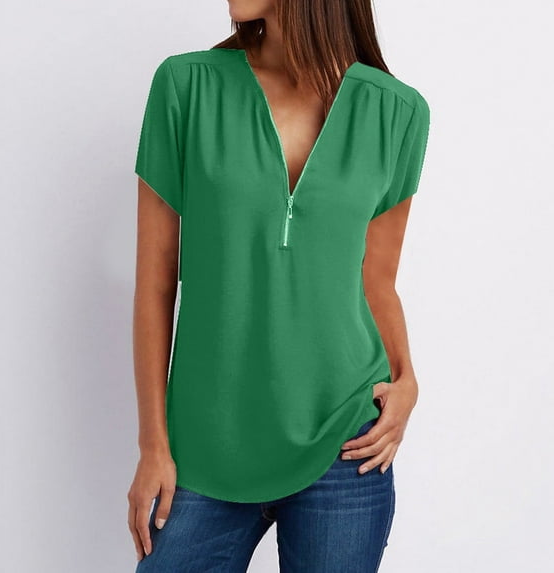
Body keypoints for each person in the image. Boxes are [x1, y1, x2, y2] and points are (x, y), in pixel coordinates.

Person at [128, 1, 431, 571]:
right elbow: (154, 283)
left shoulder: (396, 111)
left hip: (346, 440)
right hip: (206, 445)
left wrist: (406, 377)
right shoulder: (187, 86)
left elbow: (376, 280)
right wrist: (153, 446)